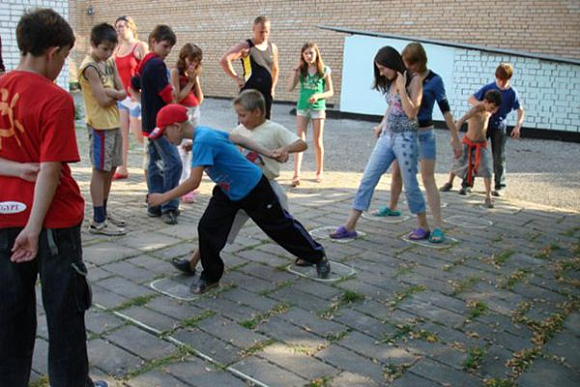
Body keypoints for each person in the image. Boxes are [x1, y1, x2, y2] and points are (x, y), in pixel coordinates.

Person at [0, 9, 108, 387]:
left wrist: (13, 172)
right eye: (64, 57)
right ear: (53, 51)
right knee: (65, 309)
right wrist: (33, 228)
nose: (62, 65)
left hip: (4, 216)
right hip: (51, 224)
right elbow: (49, 169)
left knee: (9, 310)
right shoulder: (54, 99)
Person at [146, 104, 330, 293]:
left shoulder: (203, 140)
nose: (165, 139)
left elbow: (193, 182)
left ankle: (317, 255)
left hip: (254, 189)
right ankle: (210, 277)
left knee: (279, 226)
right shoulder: (203, 134)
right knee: (208, 228)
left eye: (165, 134)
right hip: (228, 192)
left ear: (176, 126)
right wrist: (266, 152)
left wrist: (163, 198)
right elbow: (238, 138)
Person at [170, 89, 308, 275]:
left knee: (283, 227)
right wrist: (195, 145)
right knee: (217, 228)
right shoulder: (239, 131)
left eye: (242, 115)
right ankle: (192, 262)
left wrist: (285, 149)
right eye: (238, 115)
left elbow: (302, 143)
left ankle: (308, 253)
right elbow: (222, 145)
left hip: (267, 188)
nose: (240, 119)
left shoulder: (274, 129)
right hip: (239, 189)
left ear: (258, 112)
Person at [330, 46, 432, 241]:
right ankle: (350, 225)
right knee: (368, 178)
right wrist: (381, 125)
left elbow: (411, 113)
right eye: (378, 69)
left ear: (394, 64)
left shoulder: (414, 80)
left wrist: (402, 87)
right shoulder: (390, 81)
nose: (381, 73)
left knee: (410, 185)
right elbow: (391, 107)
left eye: (383, 68)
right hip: (387, 137)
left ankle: (423, 225)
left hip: (406, 139)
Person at [373, 42, 461, 243]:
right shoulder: (403, 77)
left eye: (411, 63)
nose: (408, 66)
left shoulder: (434, 80)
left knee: (427, 178)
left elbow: (446, 111)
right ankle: (392, 207)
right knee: (397, 173)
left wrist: (455, 137)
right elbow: (393, 106)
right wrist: (381, 126)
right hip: (402, 135)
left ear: (421, 61)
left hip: (423, 134)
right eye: (405, 61)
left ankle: (438, 226)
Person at [440, 63, 524, 196]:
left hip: (498, 126)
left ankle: (499, 186)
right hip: (481, 125)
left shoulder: (512, 93)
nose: (501, 82)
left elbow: (520, 110)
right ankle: (467, 184)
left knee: (498, 156)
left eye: (505, 80)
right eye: (499, 79)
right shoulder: (489, 88)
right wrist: (483, 106)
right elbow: (471, 99)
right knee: (470, 155)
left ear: (509, 79)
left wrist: (518, 125)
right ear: (496, 77)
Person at [78, 23, 127, 236]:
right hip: (100, 125)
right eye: (104, 49)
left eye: (111, 49)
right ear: (93, 44)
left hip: (114, 123)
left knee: (111, 168)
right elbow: (102, 100)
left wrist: (112, 92)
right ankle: (97, 221)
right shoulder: (89, 67)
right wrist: (113, 93)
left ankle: (103, 212)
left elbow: (123, 91)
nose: (108, 53)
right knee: (100, 170)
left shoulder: (110, 61)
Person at [131, 25, 180, 224]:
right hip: (162, 124)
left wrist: (142, 104)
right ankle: (168, 206)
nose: (167, 51)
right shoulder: (157, 65)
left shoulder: (144, 63)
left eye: (170, 48)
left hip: (149, 123)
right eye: (165, 46)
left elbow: (133, 85)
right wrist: (175, 109)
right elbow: (167, 95)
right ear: (153, 41)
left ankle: (155, 203)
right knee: (173, 163)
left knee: (154, 163)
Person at [287, 42, 334, 186]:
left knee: (317, 141)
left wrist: (319, 96)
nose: (308, 56)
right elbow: (289, 88)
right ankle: (296, 174)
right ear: (302, 55)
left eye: (311, 53)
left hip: (318, 108)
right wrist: (294, 71)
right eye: (306, 53)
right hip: (302, 107)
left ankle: (319, 171)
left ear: (316, 54)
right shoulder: (301, 70)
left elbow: (330, 91)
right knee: (300, 140)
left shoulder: (324, 70)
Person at [449, 90, 502, 208]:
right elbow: (461, 120)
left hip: (481, 145)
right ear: (486, 102)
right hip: (468, 142)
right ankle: (449, 182)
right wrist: (454, 137)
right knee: (458, 162)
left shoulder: (489, 110)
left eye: (495, 109)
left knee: (487, 169)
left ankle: (488, 197)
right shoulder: (475, 110)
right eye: (492, 107)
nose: (493, 111)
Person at [219, 15, 278, 119]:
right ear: (253, 29)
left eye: (266, 32)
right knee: (246, 127)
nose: (264, 35)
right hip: (249, 96)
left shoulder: (272, 47)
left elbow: (275, 69)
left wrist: (272, 88)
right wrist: (236, 78)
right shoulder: (246, 46)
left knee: (264, 127)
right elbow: (224, 60)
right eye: (261, 32)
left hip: (265, 96)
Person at [113, 15, 147, 180]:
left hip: (136, 97)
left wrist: (139, 92)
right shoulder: (117, 49)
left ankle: (152, 161)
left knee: (139, 136)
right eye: (117, 27)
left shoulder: (140, 46)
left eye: (122, 26)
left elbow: (147, 71)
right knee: (122, 134)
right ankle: (122, 168)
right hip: (122, 98)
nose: (120, 29)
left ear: (131, 27)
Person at [170, 43, 204, 203]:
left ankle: (190, 181)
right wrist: (189, 82)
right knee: (182, 148)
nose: (193, 64)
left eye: (196, 61)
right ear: (183, 58)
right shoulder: (176, 72)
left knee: (192, 147)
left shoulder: (194, 73)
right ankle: (183, 185)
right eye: (190, 60)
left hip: (194, 110)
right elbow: (177, 98)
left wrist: (195, 80)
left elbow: (200, 98)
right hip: (182, 112)